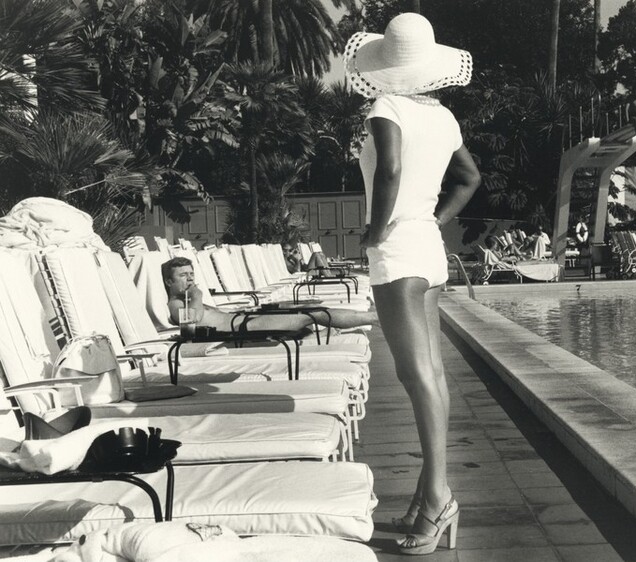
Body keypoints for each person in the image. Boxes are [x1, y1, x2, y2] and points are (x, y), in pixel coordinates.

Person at [345, 12, 480, 555]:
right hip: (428, 243)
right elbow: (470, 179)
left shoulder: (385, 108)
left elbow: (391, 172)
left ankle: (440, 496)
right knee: (432, 374)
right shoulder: (443, 117)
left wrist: (376, 234)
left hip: (399, 247)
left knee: (415, 374)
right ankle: (430, 492)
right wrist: (434, 219)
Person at [162, 257, 377, 331]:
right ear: (169, 282)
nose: (190, 278)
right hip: (243, 328)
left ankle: (374, 319)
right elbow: (191, 323)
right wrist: (197, 294)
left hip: (245, 319)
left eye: (191, 274)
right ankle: (376, 318)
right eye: (183, 275)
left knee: (309, 311)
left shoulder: (188, 299)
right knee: (314, 315)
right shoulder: (175, 305)